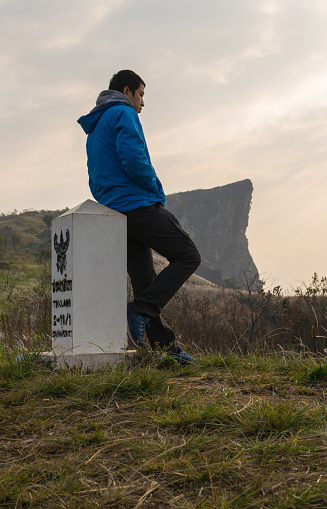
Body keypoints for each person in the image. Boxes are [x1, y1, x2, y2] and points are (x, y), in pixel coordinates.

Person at [77, 70, 201, 363]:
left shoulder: (95, 128)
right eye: (141, 94)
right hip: (138, 204)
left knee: (145, 280)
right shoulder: (123, 112)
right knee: (188, 255)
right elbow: (134, 159)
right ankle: (140, 310)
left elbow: (94, 177)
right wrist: (155, 188)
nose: (143, 102)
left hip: (114, 213)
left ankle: (164, 348)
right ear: (127, 90)